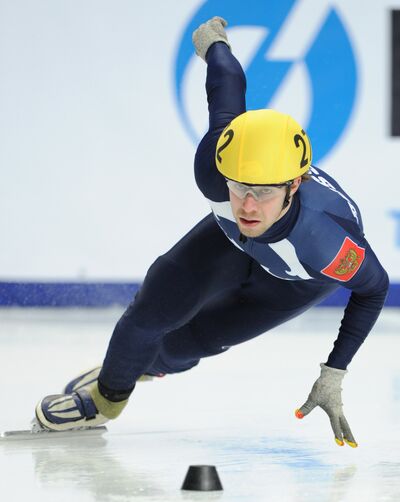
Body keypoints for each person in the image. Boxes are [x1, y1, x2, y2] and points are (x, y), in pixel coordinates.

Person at [35, 17, 388, 447]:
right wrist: (214, 42)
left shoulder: (326, 244)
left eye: (262, 191)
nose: (248, 205)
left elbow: (374, 288)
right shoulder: (215, 170)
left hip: (295, 280)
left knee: (191, 343)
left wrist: (334, 371)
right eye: (239, 187)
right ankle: (107, 397)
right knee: (152, 307)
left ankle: (143, 365)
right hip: (231, 244)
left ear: (295, 185)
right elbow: (225, 86)